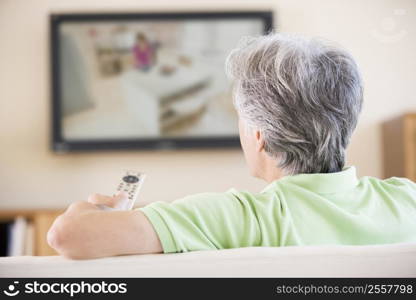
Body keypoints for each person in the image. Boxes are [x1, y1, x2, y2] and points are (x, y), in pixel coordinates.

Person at [47, 33, 416, 259]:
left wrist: (96, 208)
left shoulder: (238, 217)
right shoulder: (406, 200)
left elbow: (68, 236)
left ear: (260, 135)